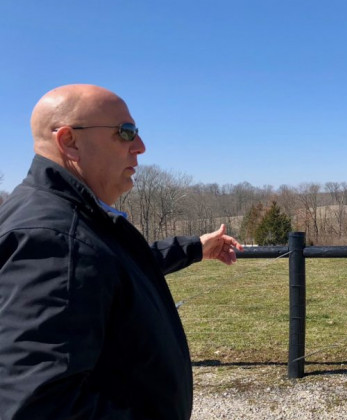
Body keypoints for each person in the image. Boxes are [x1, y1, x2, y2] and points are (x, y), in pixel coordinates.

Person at [0, 84, 243, 419]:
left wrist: (193, 249)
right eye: (125, 133)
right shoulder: (54, 238)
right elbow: (38, 407)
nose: (140, 147)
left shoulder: (67, 216)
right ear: (69, 141)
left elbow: (109, 267)